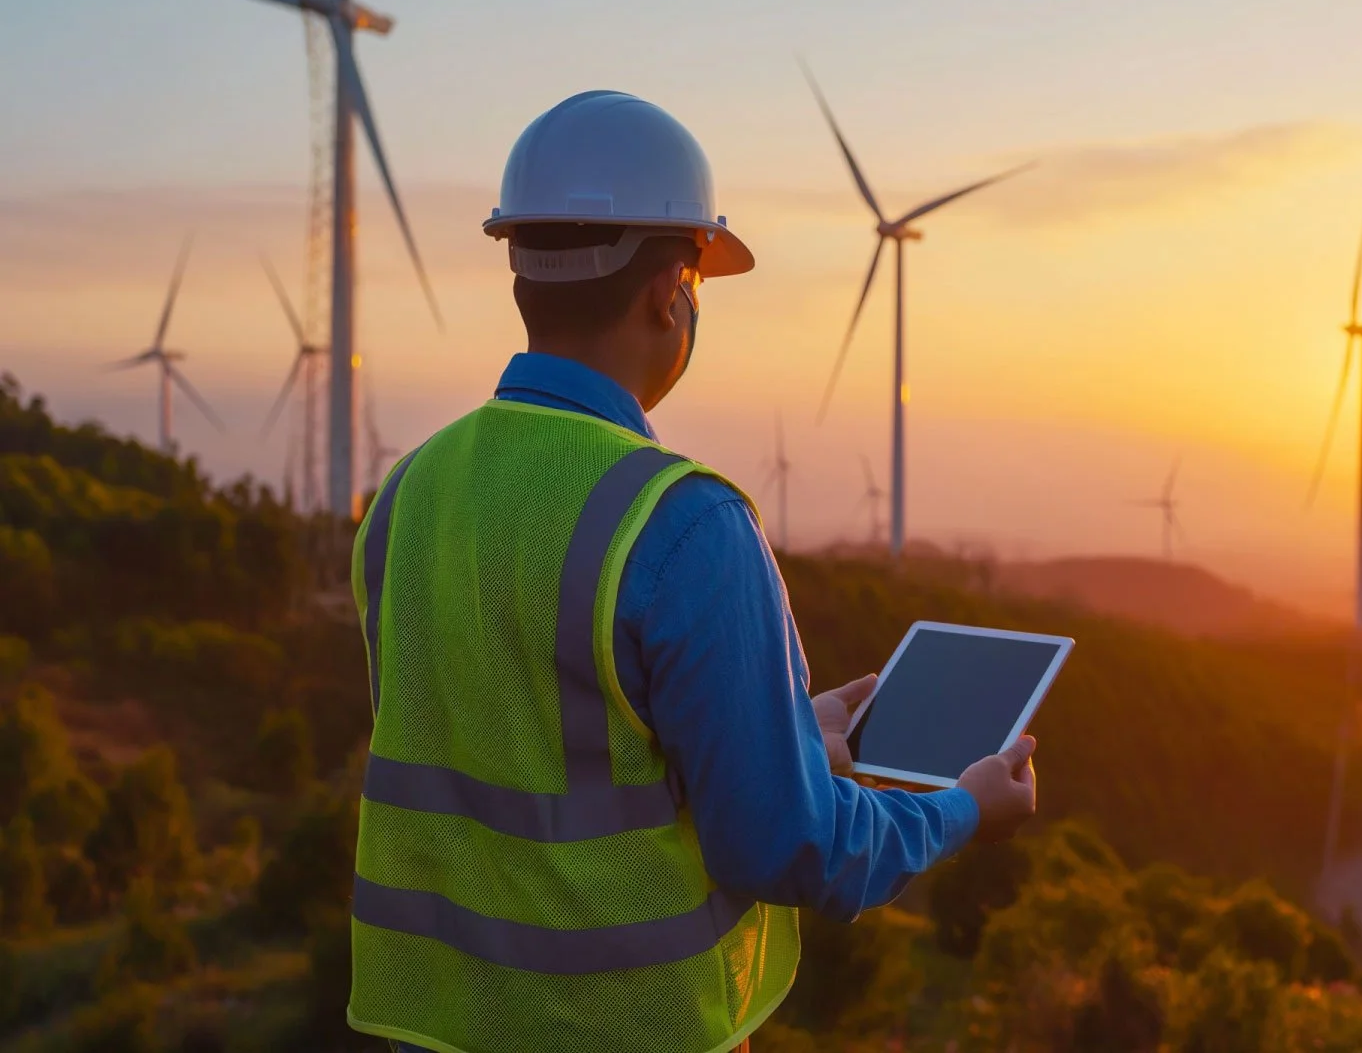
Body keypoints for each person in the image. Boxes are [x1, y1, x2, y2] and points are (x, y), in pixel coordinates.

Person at [346, 91, 1038, 1053]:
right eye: (700, 287)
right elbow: (791, 848)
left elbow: (528, 745)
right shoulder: (681, 520)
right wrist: (961, 809)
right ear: (671, 291)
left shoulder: (406, 495)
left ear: (520, 277)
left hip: (444, 1030)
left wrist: (788, 734)